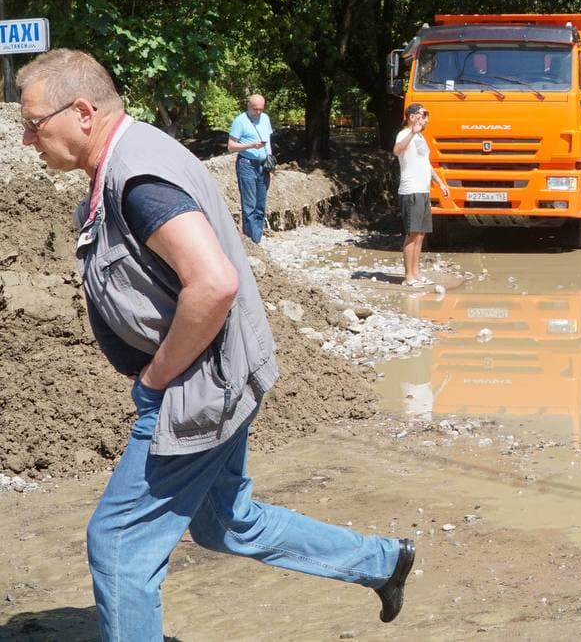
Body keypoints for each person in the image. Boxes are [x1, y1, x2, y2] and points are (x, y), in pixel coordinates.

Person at [17, 50, 415, 641]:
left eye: (33, 123)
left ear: (81, 112)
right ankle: (382, 562)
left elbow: (214, 282)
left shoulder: (139, 180)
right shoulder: (130, 155)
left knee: (120, 543)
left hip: (196, 389)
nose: (27, 139)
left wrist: (155, 381)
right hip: (220, 374)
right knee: (225, 521)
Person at [393, 103, 449, 287]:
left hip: (423, 190)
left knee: (421, 234)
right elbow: (397, 151)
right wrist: (412, 132)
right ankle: (408, 277)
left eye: (426, 115)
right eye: (423, 115)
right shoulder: (404, 134)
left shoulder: (420, 137)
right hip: (411, 191)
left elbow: (426, 163)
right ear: (412, 117)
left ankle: (416, 274)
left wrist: (439, 183)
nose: (426, 119)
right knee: (412, 234)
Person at [227, 94, 273, 243]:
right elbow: (231, 146)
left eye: (261, 109)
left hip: (263, 164)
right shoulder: (240, 121)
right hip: (247, 164)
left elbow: (269, 140)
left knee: (260, 205)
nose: (258, 112)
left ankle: (257, 240)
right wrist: (251, 145)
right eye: (255, 109)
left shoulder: (265, 118)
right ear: (248, 106)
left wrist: (270, 159)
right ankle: (250, 241)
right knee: (249, 205)